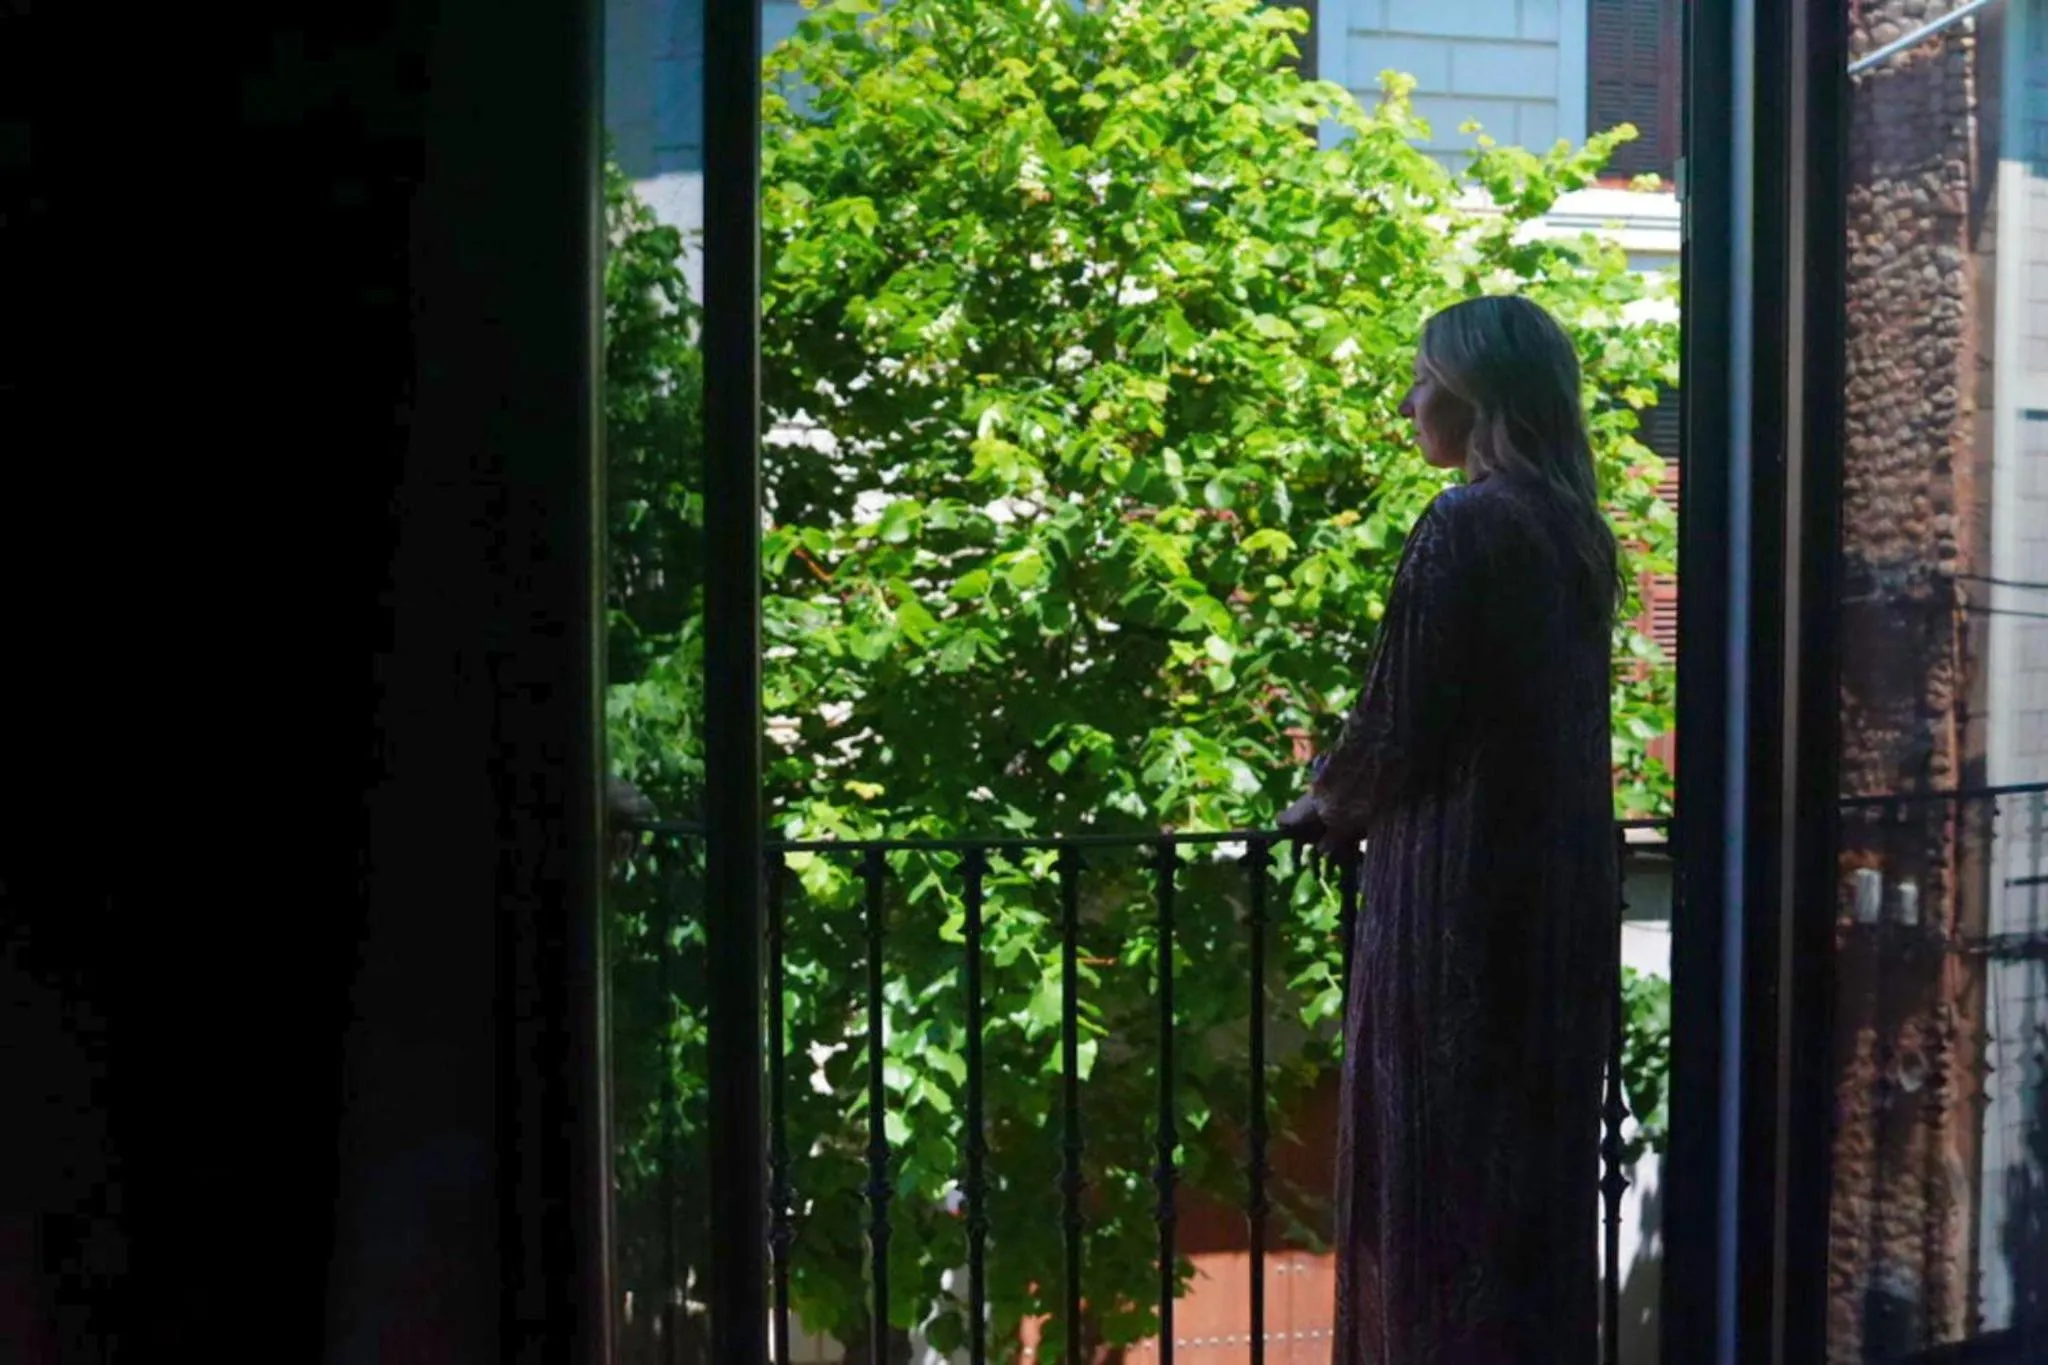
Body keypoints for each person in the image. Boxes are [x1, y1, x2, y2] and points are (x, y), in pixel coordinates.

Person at [1279, 294, 1620, 1364]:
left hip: (1455, 899)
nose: (1407, 400)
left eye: (1424, 378)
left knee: (1431, 1181)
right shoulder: (1574, 532)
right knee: (1523, 1186)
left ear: (1476, 398)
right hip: (1553, 897)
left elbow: (1400, 718)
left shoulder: (1465, 524)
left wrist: (1324, 804)